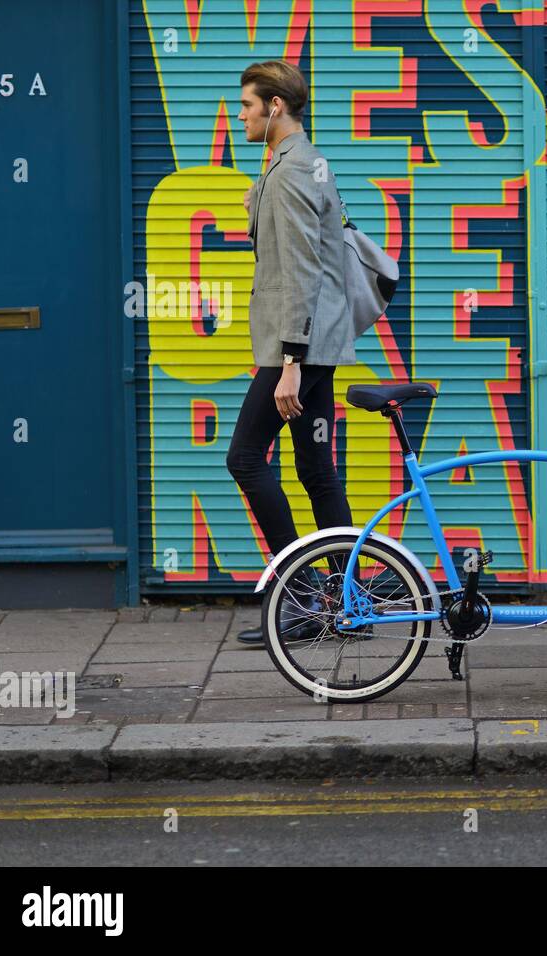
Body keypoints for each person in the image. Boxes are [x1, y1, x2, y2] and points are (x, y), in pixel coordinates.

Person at [228, 61, 358, 644]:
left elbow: (303, 269)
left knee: (245, 458)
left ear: (275, 106)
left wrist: (289, 363)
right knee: (315, 468)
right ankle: (348, 602)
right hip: (318, 343)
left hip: (300, 348)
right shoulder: (304, 162)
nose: (241, 115)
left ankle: (302, 600)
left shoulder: (290, 173)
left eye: (248, 106)